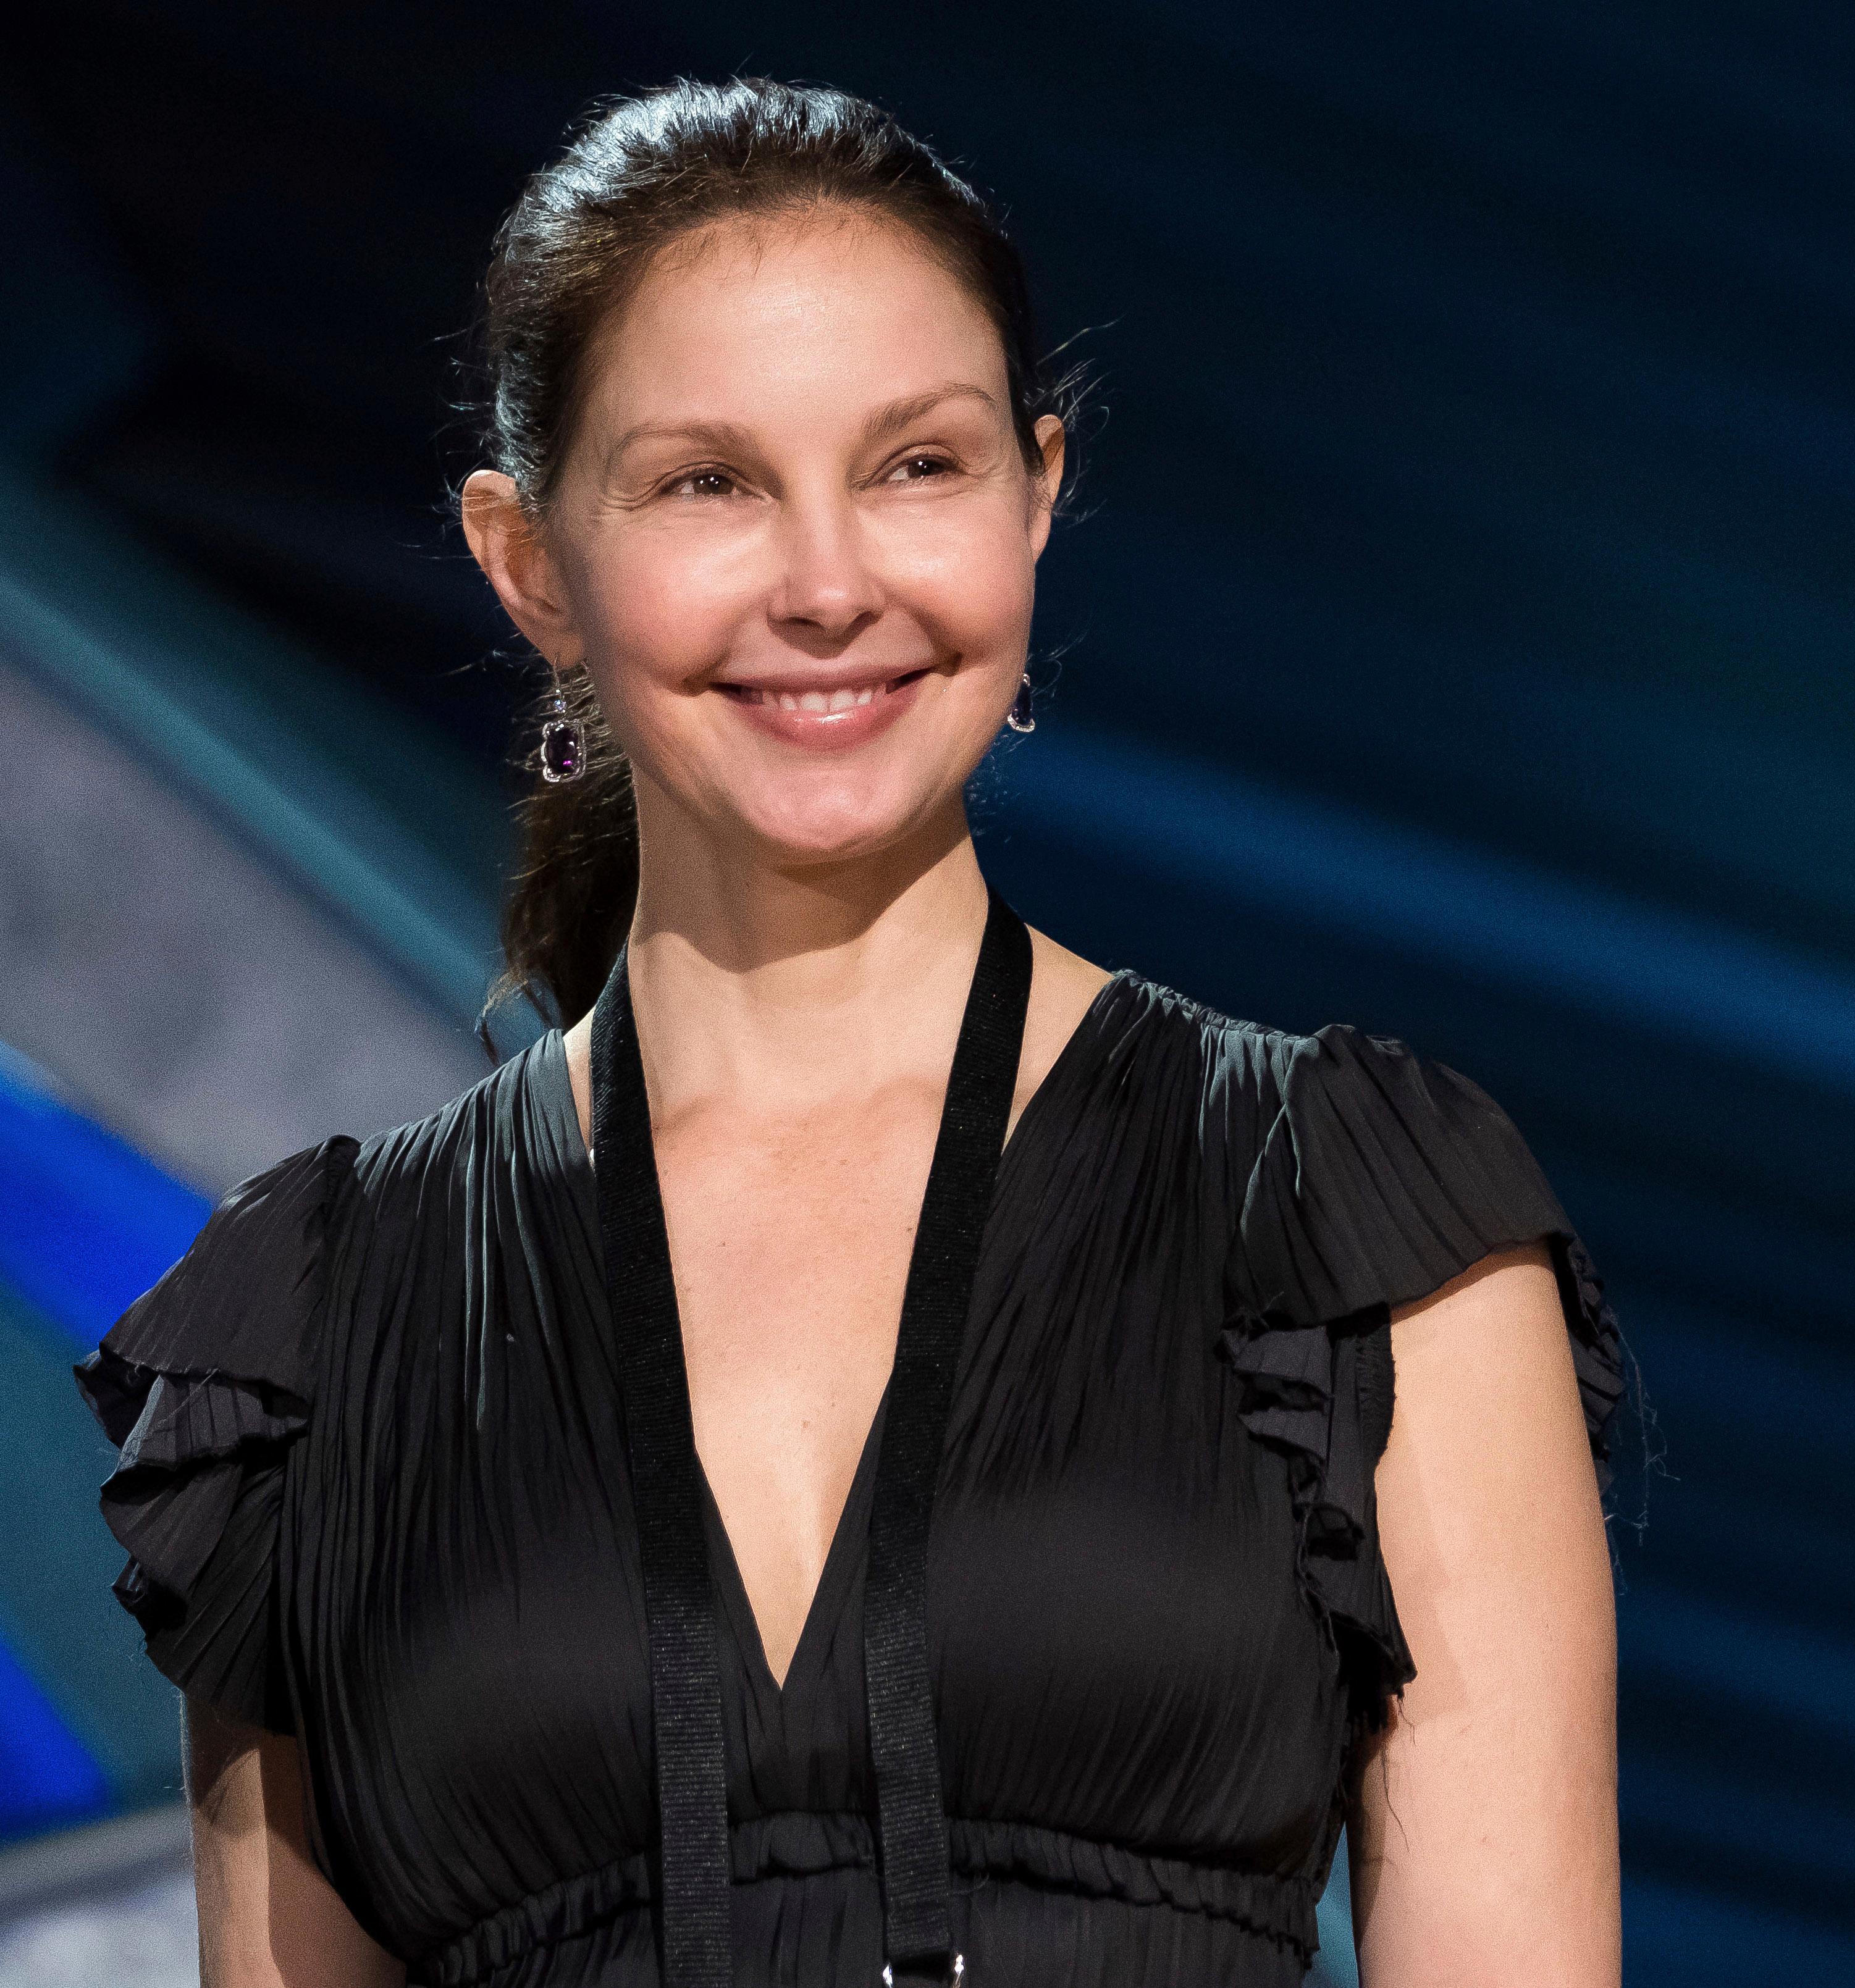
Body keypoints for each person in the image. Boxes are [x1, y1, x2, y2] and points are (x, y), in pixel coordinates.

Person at [73, 77, 1626, 1988]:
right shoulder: (311, 1333)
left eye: (916, 466)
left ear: (1037, 497)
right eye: (707, 481)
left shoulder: (1347, 1215)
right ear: (529, 560)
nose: (827, 584)